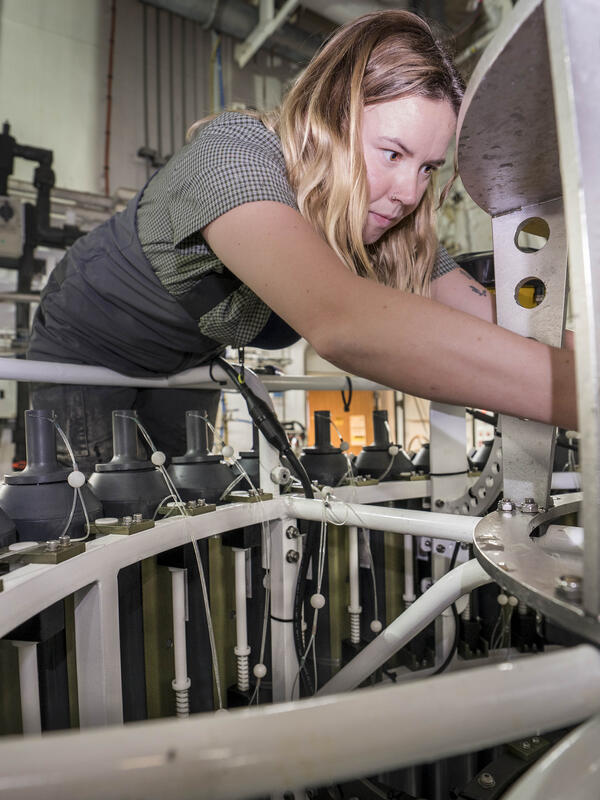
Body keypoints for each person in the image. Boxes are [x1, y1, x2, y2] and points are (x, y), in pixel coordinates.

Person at [28, 10, 576, 474]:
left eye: (428, 167)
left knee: (176, 502)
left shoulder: (384, 223)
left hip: (187, 359)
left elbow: (491, 316)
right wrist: (587, 403)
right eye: (392, 153)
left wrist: (587, 357)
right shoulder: (235, 155)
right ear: (327, 121)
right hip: (89, 349)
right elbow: (344, 323)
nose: (410, 192)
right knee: (96, 513)